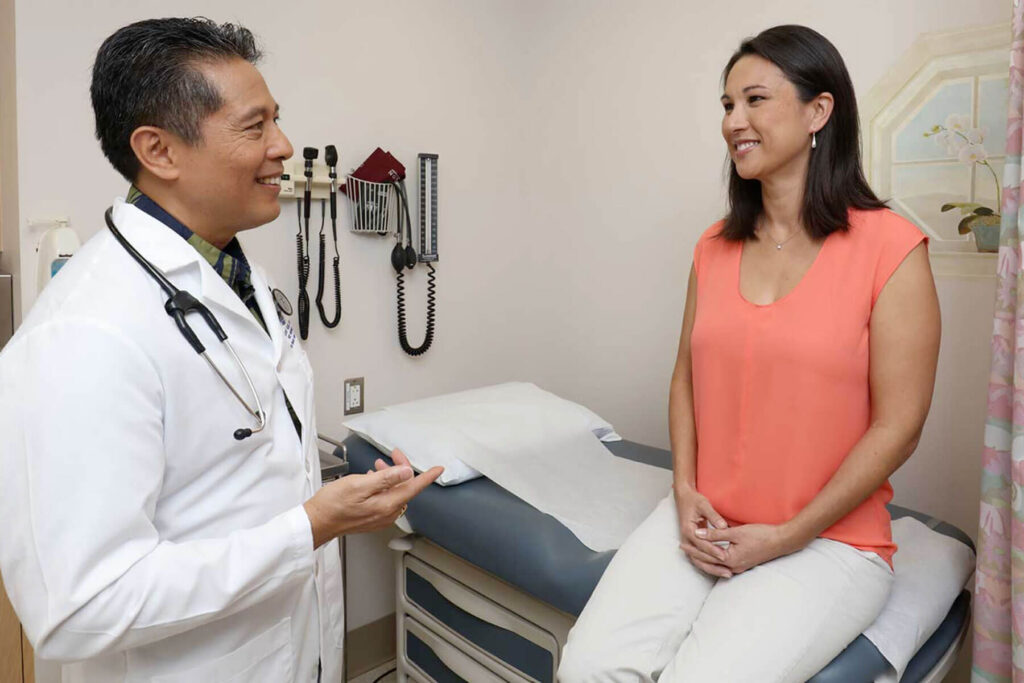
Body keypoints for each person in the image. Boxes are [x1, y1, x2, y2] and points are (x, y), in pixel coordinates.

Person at [0, 17, 441, 683]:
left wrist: (337, 504)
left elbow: (243, 466)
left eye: (276, 121)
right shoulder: (85, 332)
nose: (283, 146)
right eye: (254, 126)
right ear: (159, 150)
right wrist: (309, 528)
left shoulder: (239, 278)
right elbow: (79, 606)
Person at [558, 25, 940, 682]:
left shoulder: (893, 249)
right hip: (705, 515)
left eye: (755, 100)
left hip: (830, 540)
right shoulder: (713, 246)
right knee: (587, 665)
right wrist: (683, 489)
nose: (734, 121)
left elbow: (899, 427)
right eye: (727, 105)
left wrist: (788, 533)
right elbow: (684, 377)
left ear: (819, 110)